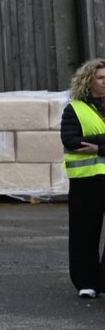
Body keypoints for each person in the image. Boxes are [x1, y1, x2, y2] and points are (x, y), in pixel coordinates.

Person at [64, 58, 105, 299]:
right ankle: (86, 282)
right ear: (88, 81)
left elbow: (88, 143)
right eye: (100, 78)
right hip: (86, 182)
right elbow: (71, 140)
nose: (104, 82)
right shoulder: (75, 109)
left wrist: (98, 147)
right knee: (84, 232)